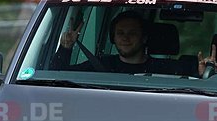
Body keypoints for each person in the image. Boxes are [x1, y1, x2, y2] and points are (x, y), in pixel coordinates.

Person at [50, 10, 180, 75]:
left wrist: (201, 71)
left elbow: (196, 76)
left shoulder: (165, 69)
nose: (125, 38)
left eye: (132, 33)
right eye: (120, 33)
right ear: (113, 37)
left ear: (144, 38)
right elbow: (56, 75)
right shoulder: (98, 66)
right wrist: (65, 48)